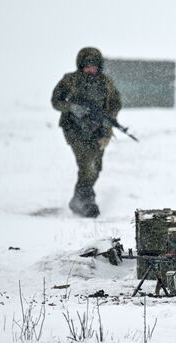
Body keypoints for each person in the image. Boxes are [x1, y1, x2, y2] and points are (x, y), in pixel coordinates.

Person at [51, 47, 122, 217]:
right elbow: (56, 101)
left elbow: (115, 103)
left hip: (98, 130)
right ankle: (86, 200)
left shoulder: (106, 82)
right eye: (87, 65)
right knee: (86, 164)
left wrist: (108, 118)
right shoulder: (70, 80)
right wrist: (72, 107)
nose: (91, 69)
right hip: (74, 129)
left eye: (94, 66)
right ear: (81, 65)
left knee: (96, 166)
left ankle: (79, 198)